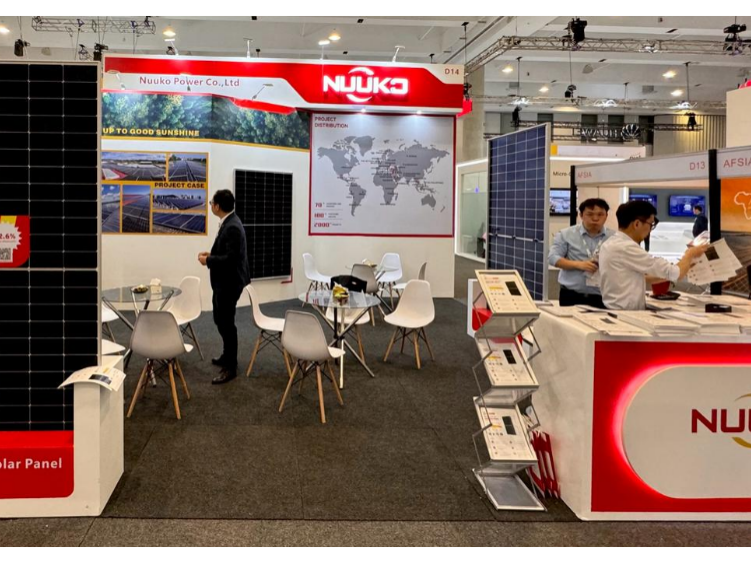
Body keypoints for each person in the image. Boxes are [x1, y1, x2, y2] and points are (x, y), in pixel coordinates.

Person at [599, 201, 707, 311]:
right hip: (625, 313)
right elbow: (674, 273)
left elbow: (643, 277)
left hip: (616, 310)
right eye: (651, 224)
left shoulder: (611, 243)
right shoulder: (626, 247)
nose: (650, 230)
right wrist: (690, 254)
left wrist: (685, 266)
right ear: (637, 224)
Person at [198, 190, 251, 384]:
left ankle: (230, 366)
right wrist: (211, 255)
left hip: (230, 282)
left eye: (212, 203)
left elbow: (231, 259)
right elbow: (227, 252)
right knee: (220, 319)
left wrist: (208, 260)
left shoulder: (232, 227)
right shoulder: (229, 222)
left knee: (227, 323)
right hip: (224, 282)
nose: (211, 205)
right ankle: (227, 355)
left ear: (217, 206)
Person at [549, 198, 615, 308]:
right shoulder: (566, 234)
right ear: (581, 215)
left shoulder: (614, 237)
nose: (595, 218)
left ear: (606, 216)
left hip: (603, 297)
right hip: (571, 295)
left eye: (600, 214)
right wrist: (579, 265)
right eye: (590, 214)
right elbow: (553, 258)